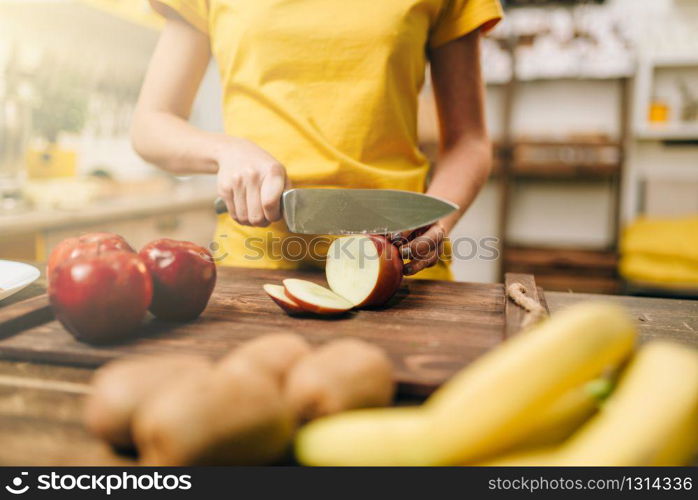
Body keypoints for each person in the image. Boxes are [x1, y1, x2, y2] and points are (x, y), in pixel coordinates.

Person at [132, 0, 502, 279]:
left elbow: (469, 141)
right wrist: (226, 151)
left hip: (400, 265)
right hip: (255, 268)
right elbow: (151, 124)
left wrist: (435, 225)